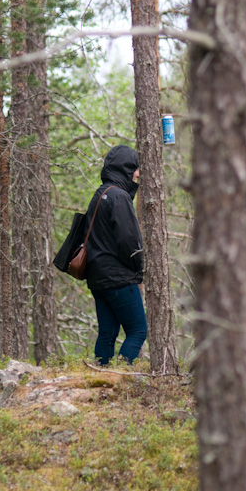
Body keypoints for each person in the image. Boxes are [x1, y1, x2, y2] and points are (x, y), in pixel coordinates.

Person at [84, 145, 148, 365]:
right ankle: (119, 376)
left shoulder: (100, 194)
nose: (138, 174)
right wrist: (139, 268)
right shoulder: (119, 197)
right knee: (138, 330)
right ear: (125, 168)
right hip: (118, 278)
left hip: (98, 278)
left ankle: (101, 377)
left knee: (107, 334)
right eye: (135, 168)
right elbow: (127, 241)